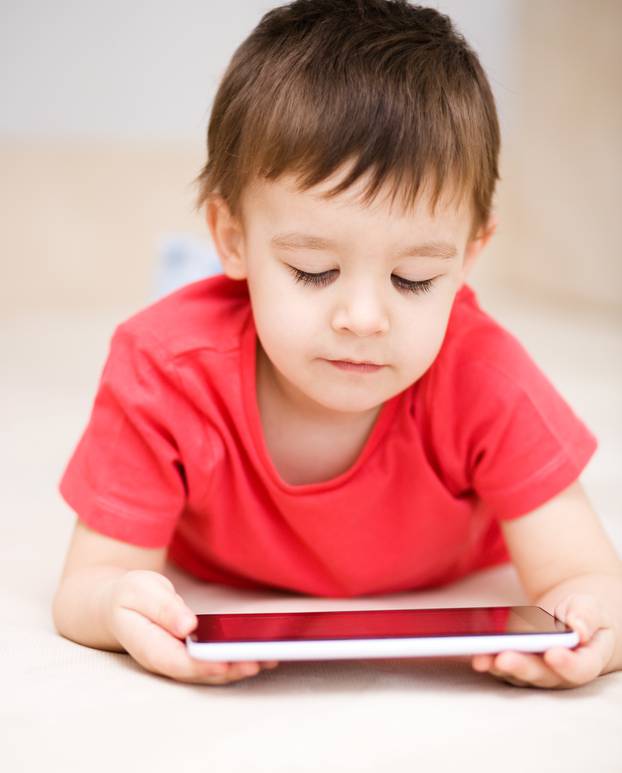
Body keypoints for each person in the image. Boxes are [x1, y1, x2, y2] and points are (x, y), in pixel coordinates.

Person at [52, 0, 622, 689]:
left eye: (414, 278)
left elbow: (589, 578)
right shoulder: (164, 371)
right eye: (313, 270)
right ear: (231, 238)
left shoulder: (484, 375)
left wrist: (588, 625)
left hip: (449, 569)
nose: (362, 317)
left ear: (470, 256)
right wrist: (119, 606)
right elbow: (88, 585)